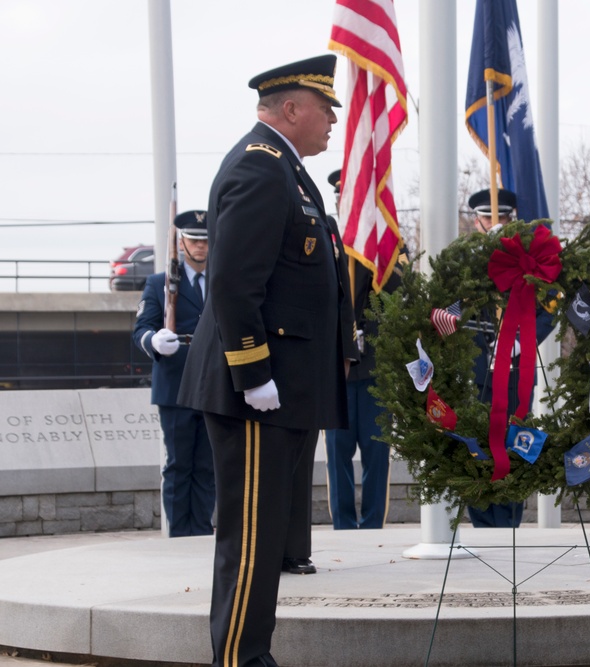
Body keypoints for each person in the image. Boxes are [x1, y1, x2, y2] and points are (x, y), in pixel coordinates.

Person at [177, 54, 355, 667]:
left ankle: (253, 655)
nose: (333, 120)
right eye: (326, 109)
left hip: (281, 391)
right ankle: (241, 661)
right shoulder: (261, 168)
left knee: (269, 537)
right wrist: (254, 373)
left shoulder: (290, 172)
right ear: (292, 109)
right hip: (254, 391)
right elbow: (231, 284)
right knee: (251, 541)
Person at [465, 187, 554, 528]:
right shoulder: (466, 260)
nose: (496, 224)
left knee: (514, 441)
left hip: (516, 369)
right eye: (489, 218)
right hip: (476, 369)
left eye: (503, 217)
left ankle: (510, 518)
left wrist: (521, 339)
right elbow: (450, 308)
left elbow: (550, 303)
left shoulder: (527, 257)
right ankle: (481, 520)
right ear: (477, 222)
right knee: (476, 442)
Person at [325, 169, 408, 529]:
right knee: (337, 454)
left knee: (377, 454)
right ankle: (344, 525)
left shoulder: (388, 242)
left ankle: (373, 523)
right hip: (336, 367)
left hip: (375, 367)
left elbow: (401, 294)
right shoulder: (324, 235)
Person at [133, 210, 214, 538]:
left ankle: (202, 533)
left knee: (207, 467)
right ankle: (180, 536)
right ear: (181, 242)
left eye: (206, 241)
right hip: (175, 383)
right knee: (179, 466)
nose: (200, 247)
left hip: (212, 383)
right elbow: (140, 328)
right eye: (194, 240)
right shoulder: (159, 283)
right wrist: (154, 341)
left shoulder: (222, 281)